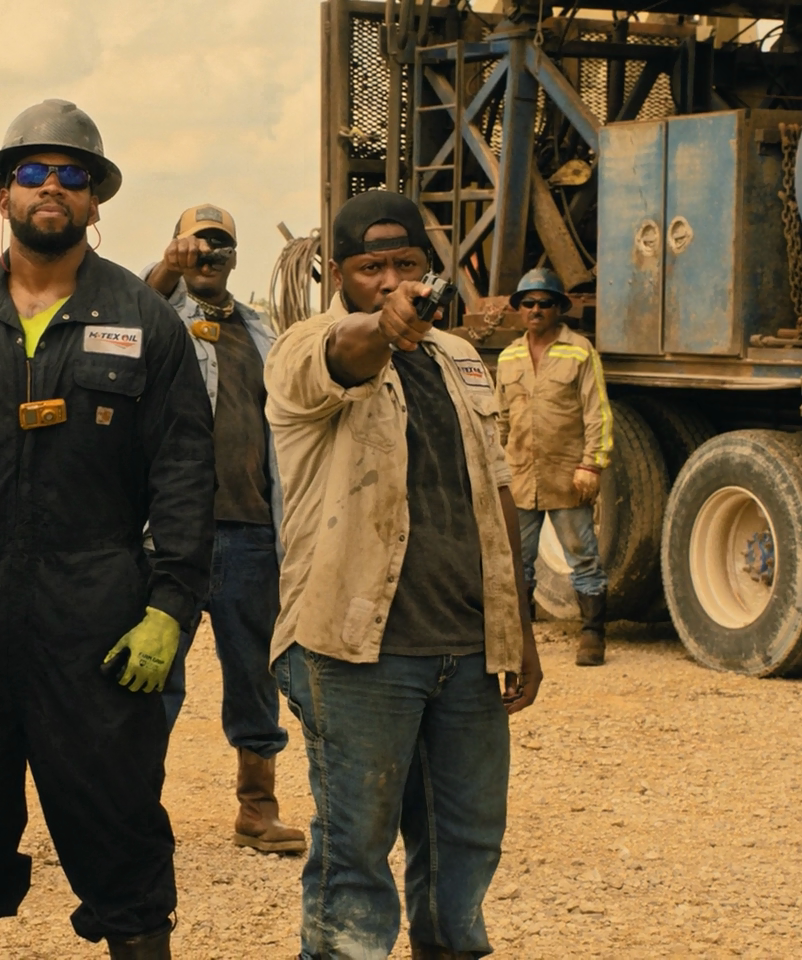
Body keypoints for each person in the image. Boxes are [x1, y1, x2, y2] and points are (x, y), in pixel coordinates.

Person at [0, 99, 214, 959]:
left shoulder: (145, 320)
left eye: (73, 174)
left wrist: (169, 610)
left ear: (96, 200)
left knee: (123, 836)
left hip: (98, 618)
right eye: (32, 171)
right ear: (2, 193)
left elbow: (185, 478)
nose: (51, 186)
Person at [265, 189, 543, 959]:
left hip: (467, 649)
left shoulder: (459, 358)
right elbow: (346, 352)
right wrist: (384, 326)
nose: (392, 282)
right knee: (354, 857)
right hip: (356, 651)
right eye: (370, 268)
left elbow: (497, 490)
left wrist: (519, 632)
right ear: (339, 274)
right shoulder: (304, 347)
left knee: (465, 844)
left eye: (407, 264)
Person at [142, 203, 304, 856]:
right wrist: (166, 270)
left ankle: (257, 809)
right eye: (195, 245)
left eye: (219, 246)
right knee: (153, 673)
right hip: (170, 534)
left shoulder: (261, 334)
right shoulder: (159, 321)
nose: (207, 256)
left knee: (254, 674)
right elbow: (134, 311)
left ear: (235, 257)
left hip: (249, 532)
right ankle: (134, 811)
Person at [497, 268, 611, 667]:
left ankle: (592, 636)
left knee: (583, 557)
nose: (536, 309)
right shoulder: (509, 357)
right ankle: (520, 639)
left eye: (545, 303)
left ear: (558, 308)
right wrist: (495, 469)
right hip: (520, 476)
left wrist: (592, 465)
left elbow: (597, 412)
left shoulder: (579, 351)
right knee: (516, 562)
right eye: (528, 302)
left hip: (566, 476)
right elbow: (500, 421)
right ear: (519, 309)